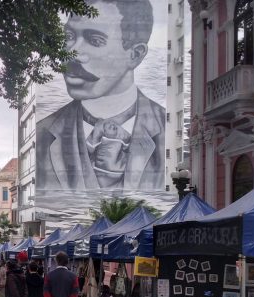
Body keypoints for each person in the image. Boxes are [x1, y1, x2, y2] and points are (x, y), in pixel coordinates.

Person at [36, 0, 164, 192]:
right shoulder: (43, 133)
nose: (71, 53)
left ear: (135, 55)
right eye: (68, 36)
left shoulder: (166, 130)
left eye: (95, 40)